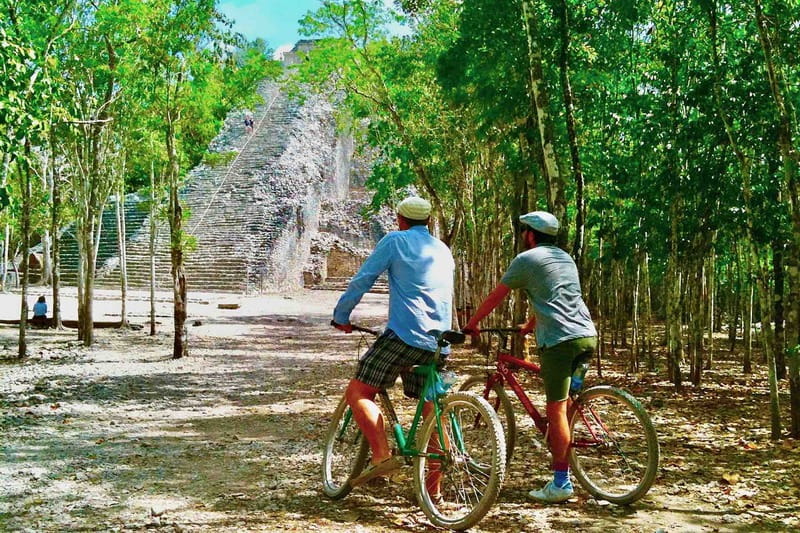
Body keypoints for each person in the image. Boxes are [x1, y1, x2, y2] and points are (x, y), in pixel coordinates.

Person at [463, 211, 596, 503]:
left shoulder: (526, 260)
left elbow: (496, 296)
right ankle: (565, 451)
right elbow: (557, 298)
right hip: (586, 336)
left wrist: (473, 323)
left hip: (560, 342)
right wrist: (529, 325)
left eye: (524, 231)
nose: (523, 236)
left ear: (531, 235)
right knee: (569, 402)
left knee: (556, 410)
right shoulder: (565, 258)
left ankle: (561, 483)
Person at [332, 196, 455, 487]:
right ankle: (432, 491)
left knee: (359, 392)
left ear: (400, 219)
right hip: (439, 340)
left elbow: (364, 279)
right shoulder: (443, 249)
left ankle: (382, 457)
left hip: (405, 334)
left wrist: (342, 315)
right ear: (428, 221)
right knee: (430, 409)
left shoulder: (394, 241)